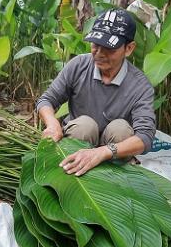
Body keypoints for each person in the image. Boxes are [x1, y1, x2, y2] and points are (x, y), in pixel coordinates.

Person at [36, 9, 156, 176]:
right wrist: (53, 124)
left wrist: (102, 152)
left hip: (114, 153)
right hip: (78, 142)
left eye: (109, 49)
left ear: (128, 49)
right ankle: (70, 173)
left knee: (120, 129)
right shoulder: (78, 65)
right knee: (85, 126)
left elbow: (144, 137)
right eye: (95, 45)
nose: (99, 54)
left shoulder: (140, 85)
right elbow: (46, 100)